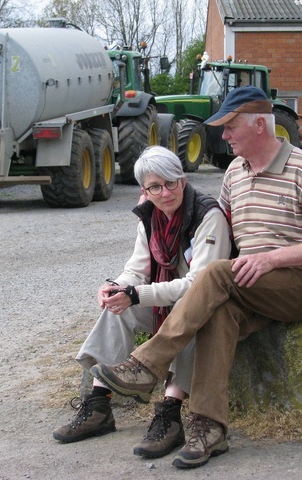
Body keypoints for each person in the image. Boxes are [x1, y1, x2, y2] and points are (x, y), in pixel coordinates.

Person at [90, 86, 302, 469]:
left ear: (260, 124)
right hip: (251, 285)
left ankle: (147, 365)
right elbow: (214, 220)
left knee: (215, 275)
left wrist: (271, 259)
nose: (224, 135)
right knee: (217, 312)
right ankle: (210, 427)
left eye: (230, 126)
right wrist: (156, 203)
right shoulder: (234, 172)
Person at [52, 146, 231, 459]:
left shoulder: (208, 216)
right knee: (117, 309)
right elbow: (137, 270)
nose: (164, 193)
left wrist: (137, 294)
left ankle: (169, 413)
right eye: (154, 187)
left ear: (183, 179)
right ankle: (98, 405)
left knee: (187, 314)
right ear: (144, 191)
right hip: (164, 298)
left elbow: (197, 285)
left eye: (171, 183)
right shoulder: (149, 217)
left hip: (199, 302)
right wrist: (116, 287)